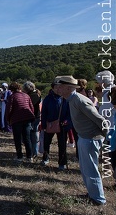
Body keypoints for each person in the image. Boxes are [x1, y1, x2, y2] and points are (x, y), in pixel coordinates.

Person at [55, 75, 107, 206]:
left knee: (91, 170)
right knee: (86, 169)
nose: (57, 89)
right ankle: (93, 194)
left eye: (60, 86)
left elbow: (99, 119)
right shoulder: (71, 99)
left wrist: (108, 138)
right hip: (84, 137)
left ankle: (98, 199)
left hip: (90, 139)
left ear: (68, 88)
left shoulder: (79, 100)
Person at [40, 79, 72, 170]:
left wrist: (67, 121)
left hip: (62, 125)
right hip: (49, 124)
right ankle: (45, 158)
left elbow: (69, 113)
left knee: (62, 145)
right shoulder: (48, 98)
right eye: (56, 87)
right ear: (52, 88)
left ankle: (62, 163)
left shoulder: (65, 99)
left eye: (60, 87)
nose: (58, 89)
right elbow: (44, 113)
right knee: (47, 143)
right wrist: (44, 125)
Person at [5, 82, 35, 162]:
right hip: (27, 118)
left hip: (16, 119)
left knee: (17, 138)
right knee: (27, 138)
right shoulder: (26, 95)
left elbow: (9, 109)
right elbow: (31, 107)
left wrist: (7, 119)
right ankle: (29, 156)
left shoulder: (12, 96)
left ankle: (20, 156)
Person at [22, 81, 42, 159]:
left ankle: (32, 153)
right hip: (37, 117)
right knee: (34, 136)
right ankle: (34, 152)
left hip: (31, 118)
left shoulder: (30, 96)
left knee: (30, 137)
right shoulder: (38, 94)